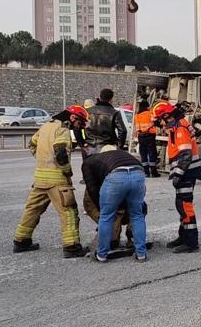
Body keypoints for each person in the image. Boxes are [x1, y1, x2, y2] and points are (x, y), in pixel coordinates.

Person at [13, 105, 89, 258]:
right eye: (79, 123)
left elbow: (32, 144)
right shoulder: (62, 129)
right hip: (57, 180)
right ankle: (72, 247)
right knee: (68, 211)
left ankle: (21, 241)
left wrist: (43, 160)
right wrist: (67, 170)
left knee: (32, 209)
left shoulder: (46, 126)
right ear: (73, 118)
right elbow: (60, 153)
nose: (79, 127)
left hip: (40, 178)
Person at [82, 145, 148, 263]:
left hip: (116, 176)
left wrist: (101, 208)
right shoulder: (121, 155)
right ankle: (141, 254)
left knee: (106, 217)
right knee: (137, 215)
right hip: (138, 173)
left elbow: (92, 189)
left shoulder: (88, 162)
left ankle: (101, 255)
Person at [153, 102, 201, 253]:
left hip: (186, 173)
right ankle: (183, 236)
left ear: (167, 117)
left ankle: (191, 242)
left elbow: (185, 155)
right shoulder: (178, 125)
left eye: (161, 120)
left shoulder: (180, 128)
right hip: (187, 172)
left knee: (185, 206)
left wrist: (178, 174)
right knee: (181, 204)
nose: (161, 124)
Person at [85, 88, 128, 155]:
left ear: (99, 97)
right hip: (107, 147)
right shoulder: (114, 113)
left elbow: (78, 127)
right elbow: (123, 131)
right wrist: (119, 147)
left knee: (89, 165)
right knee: (106, 165)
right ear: (111, 99)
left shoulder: (88, 111)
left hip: (89, 145)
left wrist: (81, 143)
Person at [134, 101, 160, 178]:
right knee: (152, 153)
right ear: (146, 107)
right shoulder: (150, 113)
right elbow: (156, 122)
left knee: (143, 154)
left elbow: (137, 128)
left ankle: (146, 172)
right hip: (150, 136)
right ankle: (153, 172)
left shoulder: (137, 115)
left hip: (141, 136)